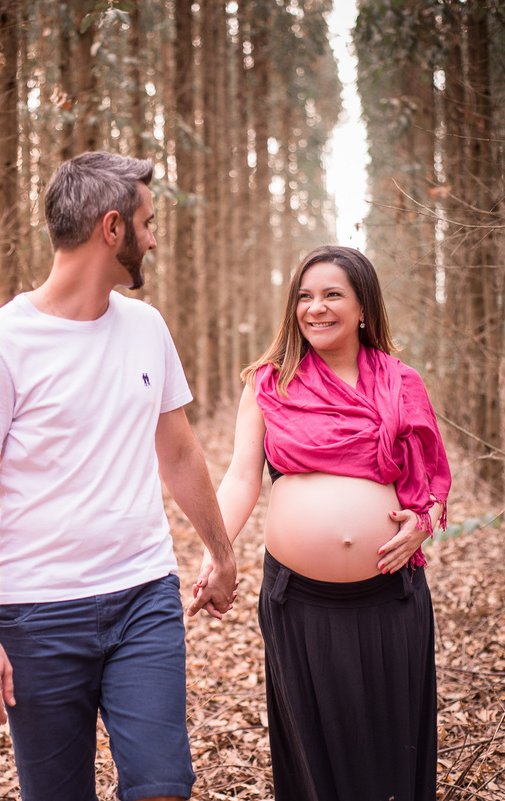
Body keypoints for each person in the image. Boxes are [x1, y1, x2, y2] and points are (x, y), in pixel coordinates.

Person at [0, 151, 238, 801]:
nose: (154, 237)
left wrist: (221, 552)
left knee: (164, 787)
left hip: (144, 599)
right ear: (112, 229)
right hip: (37, 615)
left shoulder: (147, 327)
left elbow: (181, 453)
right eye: (147, 221)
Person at [201, 245, 451, 801]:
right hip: (301, 602)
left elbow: (432, 484)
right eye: (305, 297)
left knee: (391, 747)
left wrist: (423, 523)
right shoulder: (269, 383)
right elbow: (243, 478)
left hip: (391, 596)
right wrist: (215, 553)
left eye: (333, 294)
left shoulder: (400, 381)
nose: (316, 308)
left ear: (364, 307)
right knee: (316, 755)